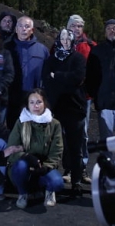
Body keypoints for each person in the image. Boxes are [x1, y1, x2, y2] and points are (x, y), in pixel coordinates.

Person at [42, 28, 87, 195]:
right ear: (58, 40)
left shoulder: (78, 58)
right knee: (53, 146)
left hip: (75, 108)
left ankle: (76, 181)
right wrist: (62, 78)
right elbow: (46, 79)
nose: (66, 41)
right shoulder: (51, 59)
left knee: (75, 147)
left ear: (73, 40)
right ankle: (50, 180)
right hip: (55, 108)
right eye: (63, 38)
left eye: (69, 38)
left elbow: (77, 78)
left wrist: (57, 76)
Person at [7, 88, 64, 209]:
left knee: (57, 183)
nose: (35, 105)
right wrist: (27, 157)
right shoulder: (21, 122)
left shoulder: (54, 124)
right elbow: (11, 148)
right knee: (20, 166)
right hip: (25, 164)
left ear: (44, 103)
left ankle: (48, 191)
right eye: (31, 102)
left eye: (39, 102)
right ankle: (23, 194)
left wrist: (46, 166)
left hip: (44, 166)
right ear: (27, 105)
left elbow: (57, 151)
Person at [66, 14, 96, 184]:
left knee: (82, 132)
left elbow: (96, 72)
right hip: (65, 97)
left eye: (79, 26)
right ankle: (69, 168)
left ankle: (82, 167)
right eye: (73, 26)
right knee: (65, 132)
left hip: (83, 97)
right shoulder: (60, 44)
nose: (76, 29)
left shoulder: (91, 46)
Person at [5, 15, 49, 128]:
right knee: (13, 129)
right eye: (20, 26)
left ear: (32, 30)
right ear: (16, 29)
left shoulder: (42, 50)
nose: (24, 29)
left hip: (34, 98)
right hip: (12, 97)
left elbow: (47, 74)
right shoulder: (6, 48)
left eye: (27, 26)